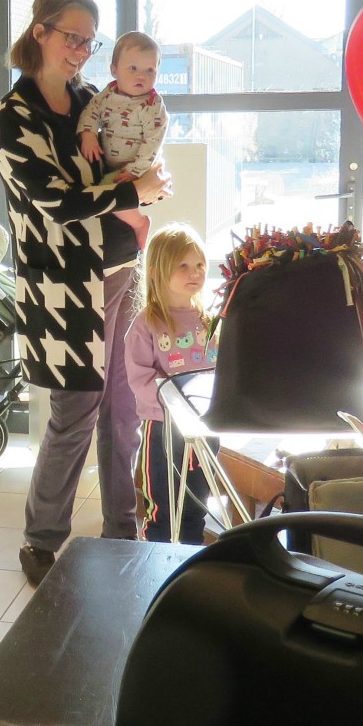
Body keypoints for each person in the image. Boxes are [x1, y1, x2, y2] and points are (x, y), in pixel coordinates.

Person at [0, 0, 169, 584]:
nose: (80, 52)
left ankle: (124, 529)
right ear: (39, 32)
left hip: (120, 270)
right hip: (62, 286)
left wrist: (138, 193)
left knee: (124, 405)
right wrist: (132, 194)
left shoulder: (95, 100)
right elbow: (55, 202)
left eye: (90, 42)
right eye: (71, 37)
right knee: (74, 410)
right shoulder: (14, 118)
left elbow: (124, 166)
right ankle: (42, 542)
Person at [126, 224, 217, 544]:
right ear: (157, 271)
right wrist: (177, 400)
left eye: (200, 265)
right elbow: (139, 379)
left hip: (205, 429)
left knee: (195, 507)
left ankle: (188, 569)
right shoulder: (146, 323)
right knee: (163, 509)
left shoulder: (210, 320)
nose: (195, 272)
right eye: (183, 265)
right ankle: (158, 571)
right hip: (163, 430)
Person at [76, 29, 167, 248]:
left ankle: (139, 223)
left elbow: (153, 142)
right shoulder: (107, 95)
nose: (141, 76)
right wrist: (88, 133)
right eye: (133, 68)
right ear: (114, 69)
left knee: (110, 190)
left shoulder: (152, 105)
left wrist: (136, 170)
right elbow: (91, 112)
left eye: (150, 70)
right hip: (113, 162)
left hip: (139, 165)